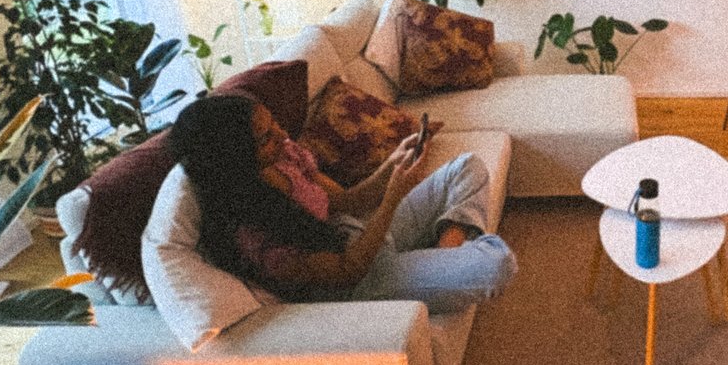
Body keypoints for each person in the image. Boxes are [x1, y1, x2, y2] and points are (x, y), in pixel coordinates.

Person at [167, 93, 516, 314]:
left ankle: (443, 254)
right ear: (234, 157)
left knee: (466, 166)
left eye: (274, 125)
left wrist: (392, 164)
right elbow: (350, 271)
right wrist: (394, 196)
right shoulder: (250, 232)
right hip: (357, 284)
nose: (282, 137)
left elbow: (348, 200)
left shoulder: (284, 159)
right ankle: (444, 258)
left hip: (360, 234)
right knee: (497, 263)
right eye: (266, 138)